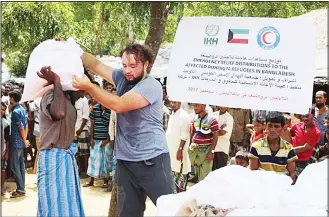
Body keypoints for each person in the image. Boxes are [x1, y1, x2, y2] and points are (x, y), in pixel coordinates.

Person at [73, 43, 174, 217]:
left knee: (172, 210)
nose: (128, 71)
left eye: (133, 66)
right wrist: (72, 49)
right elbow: (95, 65)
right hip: (126, 162)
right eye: (125, 65)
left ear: (146, 64)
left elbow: (118, 105)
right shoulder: (122, 77)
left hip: (153, 160)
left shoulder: (151, 86)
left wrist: (89, 86)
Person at [37, 66, 85, 216]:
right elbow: (58, 112)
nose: (83, 95)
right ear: (70, 85)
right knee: (53, 207)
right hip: (52, 159)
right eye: (81, 89)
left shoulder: (69, 103)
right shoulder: (51, 95)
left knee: (66, 206)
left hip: (64, 159)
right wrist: (57, 81)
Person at [249, 112, 298, 184]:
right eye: (270, 126)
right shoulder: (256, 146)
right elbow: (253, 172)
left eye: (276, 126)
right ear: (265, 126)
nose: (272, 130)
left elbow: (292, 174)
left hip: (280, 188)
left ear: (283, 128)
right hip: (261, 187)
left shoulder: (288, 149)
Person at [83, 81, 112, 189]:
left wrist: (108, 139)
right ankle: (91, 180)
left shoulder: (111, 110)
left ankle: (105, 181)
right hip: (95, 139)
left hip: (106, 140)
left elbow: (112, 127)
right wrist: (91, 138)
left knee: (105, 161)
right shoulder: (95, 109)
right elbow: (92, 125)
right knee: (93, 160)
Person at [188, 103, 219, 182]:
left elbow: (216, 135)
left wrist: (211, 152)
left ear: (204, 106)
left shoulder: (212, 120)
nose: (195, 108)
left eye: (197, 105)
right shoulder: (195, 119)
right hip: (196, 151)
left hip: (206, 151)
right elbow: (193, 132)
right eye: (194, 106)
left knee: (205, 179)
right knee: (197, 177)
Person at [166, 100, 191, 192]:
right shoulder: (172, 115)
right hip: (171, 153)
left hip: (179, 153)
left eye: (175, 102)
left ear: (180, 102)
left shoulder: (184, 116)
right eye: (171, 102)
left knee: (180, 183)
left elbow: (184, 135)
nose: (172, 104)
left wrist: (180, 149)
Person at [8, 90, 29, 198]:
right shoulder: (22, 109)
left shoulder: (15, 112)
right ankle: (22, 187)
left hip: (17, 142)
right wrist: (25, 139)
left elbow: (21, 127)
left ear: (12, 98)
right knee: (21, 165)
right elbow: (26, 125)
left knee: (15, 166)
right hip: (21, 141)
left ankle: (20, 189)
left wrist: (24, 140)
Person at [290, 108, 321, 176]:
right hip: (290, 159)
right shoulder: (297, 125)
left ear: (313, 115)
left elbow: (305, 147)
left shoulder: (317, 132)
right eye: (303, 116)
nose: (305, 119)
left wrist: (287, 151)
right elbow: (289, 134)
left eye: (307, 116)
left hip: (303, 162)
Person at [74, 90, 90, 176]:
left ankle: (86, 171)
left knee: (85, 153)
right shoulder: (75, 101)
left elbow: (85, 117)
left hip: (82, 130)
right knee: (78, 152)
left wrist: (80, 129)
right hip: (75, 130)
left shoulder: (84, 101)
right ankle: (80, 170)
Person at [1, 102, 10, 196]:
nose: (1, 111)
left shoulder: (6, 123)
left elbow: (7, 140)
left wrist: (7, 152)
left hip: (2, 151)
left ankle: (2, 188)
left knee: (3, 169)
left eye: (3, 109)